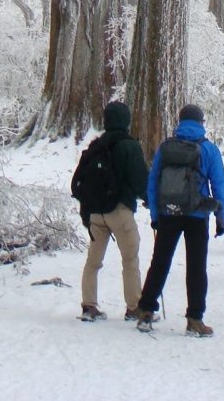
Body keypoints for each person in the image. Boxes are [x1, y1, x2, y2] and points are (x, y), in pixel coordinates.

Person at [135, 104, 224, 337]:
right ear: (201, 122)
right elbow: (219, 186)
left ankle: (146, 310)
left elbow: (153, 182)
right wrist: (220, 216)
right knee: (196, 266)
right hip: (197, 215)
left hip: (169, 214)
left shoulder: (166, 147)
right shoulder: (209, 149)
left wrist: (156, 215)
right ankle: (195, 319)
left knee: (160, 261)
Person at [72, 101, 149, 322]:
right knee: (130, 259)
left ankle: (89, 305)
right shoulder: (129, 146)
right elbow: (139, 181)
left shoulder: (96, 145)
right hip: (120, 211)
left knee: (93, 261)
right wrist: (149, 199)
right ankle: (134, 307)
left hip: (95, 213)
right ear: (126, 120)